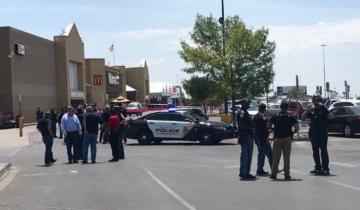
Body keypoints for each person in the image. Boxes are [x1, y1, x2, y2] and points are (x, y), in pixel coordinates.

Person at [269, 101, 299, 180]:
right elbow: (297, 128)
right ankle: (287, 174)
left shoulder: (275, 116)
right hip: (287, 138)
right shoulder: (290, 116)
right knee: (286, 158)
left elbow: (268, 124)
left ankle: (273, 174)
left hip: (277, 138)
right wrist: (292, 133)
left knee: (276, 157)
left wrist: (273, 130)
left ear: (280, 107)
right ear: (287, 107)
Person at [302, 95, 330, 175]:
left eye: (317, 101)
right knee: (315, 151)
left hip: (322, 132)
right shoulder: (312, 109)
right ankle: (318, 167)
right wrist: (307, 110)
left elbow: (331, 117)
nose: (316, 102)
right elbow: (303, 118)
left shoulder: (324, 109)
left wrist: (325, 109)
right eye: (314, 101)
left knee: (323, 150)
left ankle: (325, 168)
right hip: (314, 133)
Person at [237, 99, 256, 180]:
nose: (249, 104)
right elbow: (241, 126)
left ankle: (244, 172)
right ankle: (245, 173)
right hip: (245, 136)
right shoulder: (242, 112)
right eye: (247, 103)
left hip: (247, 135)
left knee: (246, 155)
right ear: (243, 104)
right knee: (246, 155)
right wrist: (251, 129)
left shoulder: (245, 112)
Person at [253, 103, 273, 176]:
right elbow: (266, 124)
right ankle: (274, 169)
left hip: (258, 138)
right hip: (263, 138)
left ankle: (259, 170)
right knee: (270, 154)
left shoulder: (255, 116)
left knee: (261, 154)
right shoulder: (262, 116)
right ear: (264, 109)